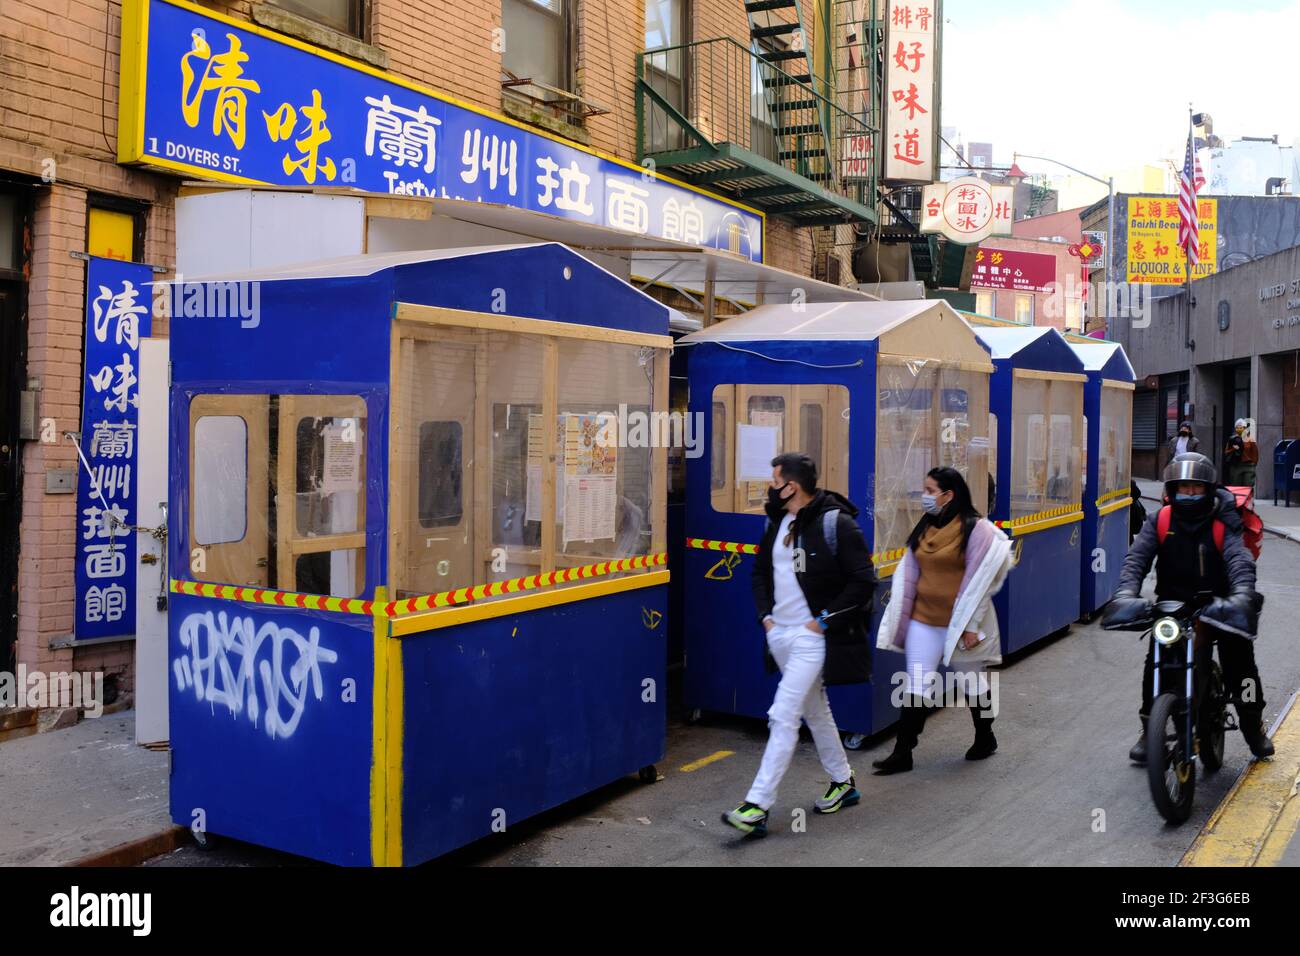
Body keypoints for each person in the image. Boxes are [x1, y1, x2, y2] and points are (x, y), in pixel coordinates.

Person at [721, 453, 875, 836]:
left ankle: (757, 805)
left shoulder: (835, 524)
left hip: (811, 638)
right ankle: (843, 782)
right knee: (815, 710)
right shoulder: (777, 522)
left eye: (775, 481)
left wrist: (822, 621)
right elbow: (759, 573)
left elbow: (863, 581)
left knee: (782, 714)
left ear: (793, 485)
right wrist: (766, 619)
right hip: (780, 634)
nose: (770, 488)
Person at [1106, 452, 1273, 761]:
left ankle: (1253, 726)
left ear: (1208, 489)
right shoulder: (1160, 520)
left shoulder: (1225, 520)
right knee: (1156, 660)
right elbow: (1136, 561)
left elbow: (1240, 561)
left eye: (1196, 488)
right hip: (1174, 605)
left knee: (1242, 668)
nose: (1189, 494)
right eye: (1183, 487)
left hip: (1221, 604)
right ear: (1172, 489)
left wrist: (1241, 596)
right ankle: (1149, 728)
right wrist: (1126, 593)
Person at [871, 467, 1015, 774]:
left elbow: (988, 576)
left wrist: (972, 626)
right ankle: (903, 752)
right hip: (924, 619)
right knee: (917, 683)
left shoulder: (977, 530)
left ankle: (985, 736)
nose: (924, 496)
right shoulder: (926, 526)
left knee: (970, 681)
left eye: (929, 490)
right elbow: (911, 570)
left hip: (959, 626)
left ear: (948, 495)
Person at [1224, 419, 1259, 487]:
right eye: (1237, 427)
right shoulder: (1232, 439)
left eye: (1241, 427)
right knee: (1236, 486)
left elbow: (1255, 452)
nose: (1239, 429)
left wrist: (1254, 464)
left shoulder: (1250, 439)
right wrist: (1233, 449)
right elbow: (1226, 452)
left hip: (1248, 465)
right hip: (1236, 465)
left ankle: (1248, 497)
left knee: (1248, 485)